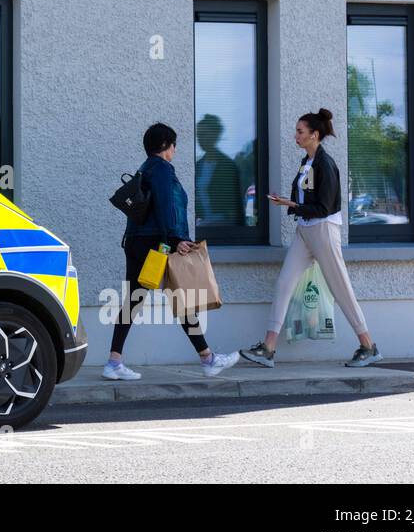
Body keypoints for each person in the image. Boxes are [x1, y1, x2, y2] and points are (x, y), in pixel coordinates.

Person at [239, 108, 382, 368]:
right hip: (305, 230)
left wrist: (290, 204)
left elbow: (324, 207)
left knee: (341, 288)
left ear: (314, 135)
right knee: (284, 282)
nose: (296, 135)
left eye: (300, 131)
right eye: (296, 131)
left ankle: (368, 346)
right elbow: (308, 200)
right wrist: (291, 203)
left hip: (324, 230)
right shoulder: (307, 162)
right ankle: (268, 348)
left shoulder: (325, 164)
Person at [104, 123, 240, 380]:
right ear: (167, 145)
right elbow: (167, 206)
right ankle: (208, 359)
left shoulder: (144, 169)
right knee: (180, 295)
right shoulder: (163, 169)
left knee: (134, 300)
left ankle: (114, 362)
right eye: (174, 145)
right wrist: (176, 238)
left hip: (136, 241)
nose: (175, 150)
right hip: (157, 244)